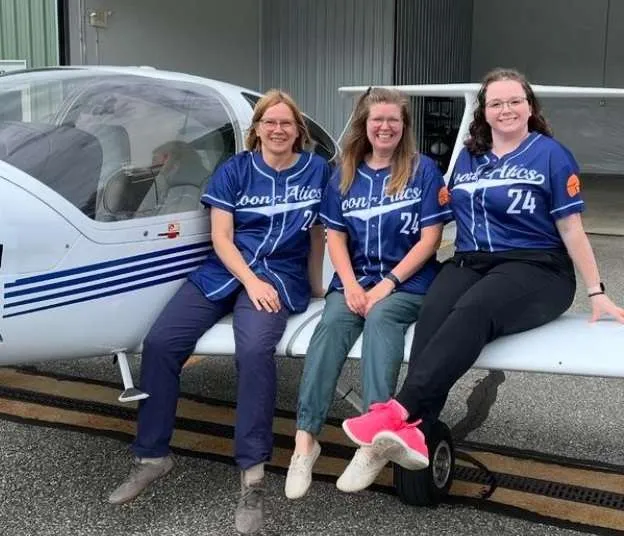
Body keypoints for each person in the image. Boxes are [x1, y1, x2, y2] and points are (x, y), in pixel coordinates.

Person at [341, 68, 624, 477]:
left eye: (514, 101)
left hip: (536, 266)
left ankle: (397, 412)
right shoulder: (469, 158)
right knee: (433, 315)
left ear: (530, 107)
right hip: (471, 261)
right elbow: (435, 217)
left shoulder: (551, 154)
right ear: (484, 112)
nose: (506, 109)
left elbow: (571, 228)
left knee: (472, 311)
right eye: (496, 103)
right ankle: (415, 433)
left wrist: (597, 291)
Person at [108, 89, 330, 535]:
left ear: (298, 131)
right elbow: (222, 238)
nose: (279, 130)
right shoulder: (234, 170)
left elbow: (321, 234)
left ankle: (252, 477)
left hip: (280, 276)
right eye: (271, 122)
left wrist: (316, 285)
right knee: (162, 342)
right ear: (258, 130)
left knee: (253, 353)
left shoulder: (319, 171)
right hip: (226, 272)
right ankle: (153, 455)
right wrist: (250, 280)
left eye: (287, 123)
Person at [284, 88, 452, 500]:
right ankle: (305, 441)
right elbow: (335, 238)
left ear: (404, 126)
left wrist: (387, 284)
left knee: (382, 320)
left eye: (394, 120)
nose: (385, 126)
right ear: (364, 124)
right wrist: (353, 285)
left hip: (407, 283)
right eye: (377, 119)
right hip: (354, 281)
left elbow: (430, 239)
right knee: (330, 329)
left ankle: (376, 438)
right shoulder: (343, 171)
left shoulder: (422, 169)